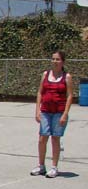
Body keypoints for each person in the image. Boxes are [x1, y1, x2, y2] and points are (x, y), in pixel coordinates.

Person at [30, 50, 73, 178]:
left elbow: (70, 96)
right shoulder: (45, 74)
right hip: (45, 111)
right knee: (42, 138)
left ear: (63, 62)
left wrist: (65, 114)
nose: (55, 61)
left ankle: (54, 167)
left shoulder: (67, 77)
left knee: (55, 138)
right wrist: (37, 110)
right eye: (53, 59)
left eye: (57, 59)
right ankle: (41, 166)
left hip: (59, 112)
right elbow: (40, 92)